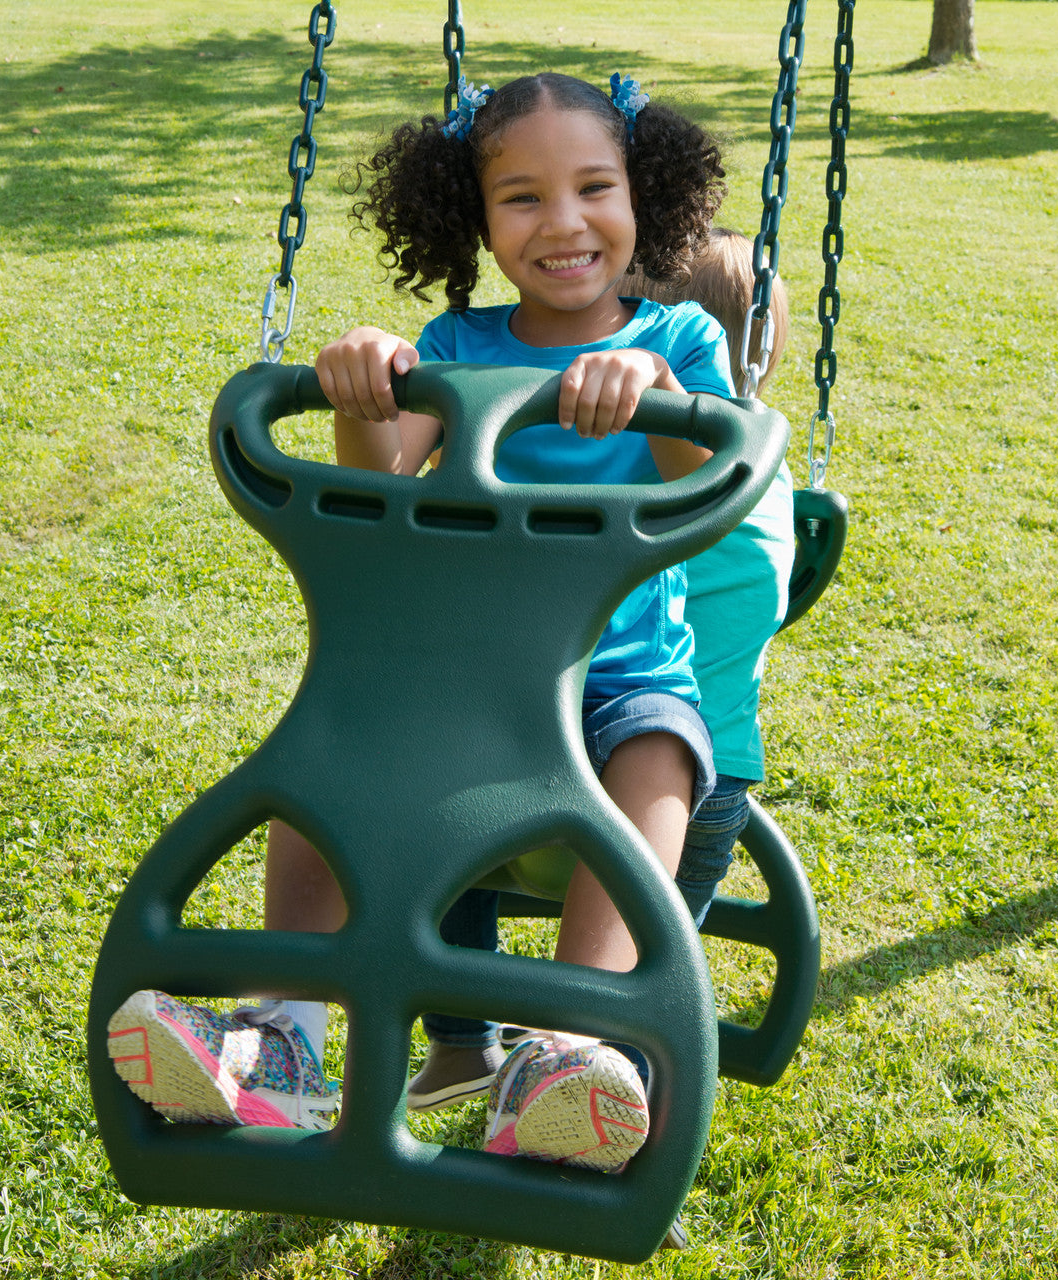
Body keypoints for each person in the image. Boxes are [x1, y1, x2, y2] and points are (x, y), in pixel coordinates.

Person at [108, 69, 735, 1174]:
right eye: (521, 198)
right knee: (323, 765)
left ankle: (566, 1049)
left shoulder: (677, 338)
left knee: (658, 759)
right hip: (456, 678)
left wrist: (649, 388)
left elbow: (711, 458)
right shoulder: (453, 344)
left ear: (643, 196)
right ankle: (280, 1046)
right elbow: (382, 484)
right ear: (473, 217)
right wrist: (367, 397)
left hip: (615, 672)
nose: (564, 223)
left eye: (594, 186)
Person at [406, 228, 794, 1114]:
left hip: (547, 760)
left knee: (453, 816)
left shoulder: (665, 471)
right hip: (697, 789)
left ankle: (465, 1039)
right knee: (649, 973)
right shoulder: (771, 500)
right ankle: (614, 1095)